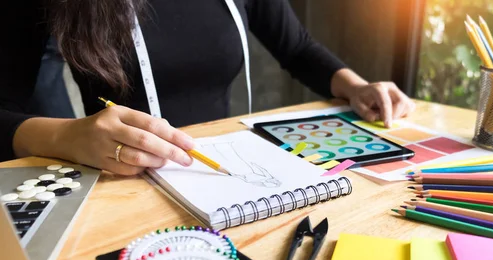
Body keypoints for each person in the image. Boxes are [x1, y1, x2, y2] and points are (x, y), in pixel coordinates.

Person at [1, 1, 416, 175]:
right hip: (121, 180)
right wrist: (68, 135)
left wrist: (356, 85)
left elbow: (297, 47)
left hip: (234, 177)